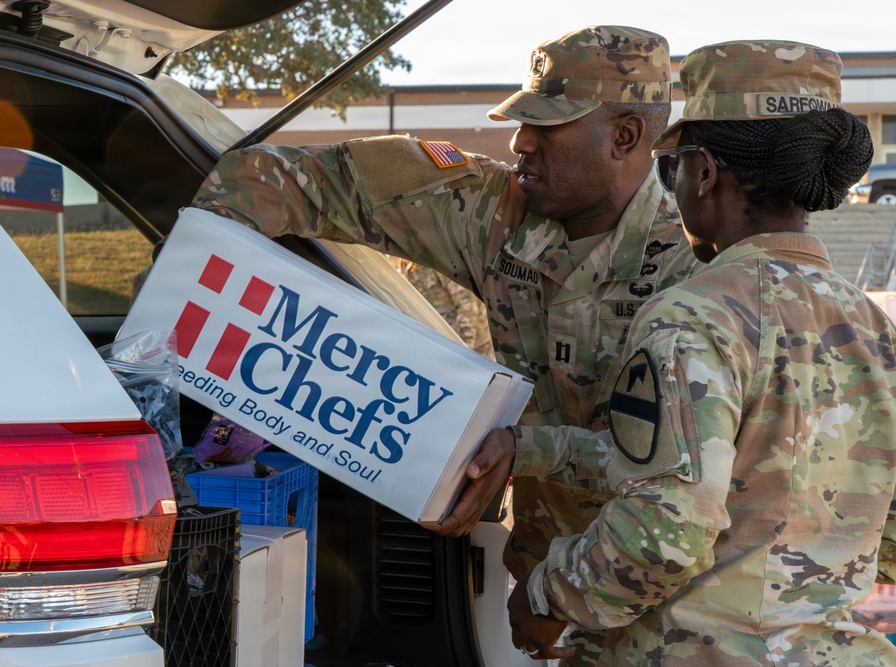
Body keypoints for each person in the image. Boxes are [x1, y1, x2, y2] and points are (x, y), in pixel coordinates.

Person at [190, 25, 700, 664]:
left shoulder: (699, 264)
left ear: (624, 136)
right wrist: (203, 318)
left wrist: (519, 455)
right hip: (547, 602)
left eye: (548, 128)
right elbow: (271, 179)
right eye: (523, 121)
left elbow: (690, 473)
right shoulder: (496, 210)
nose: (521, 143)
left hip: (679, 613)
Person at [487, 40, 896, 664]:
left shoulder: (691, 318)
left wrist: (546, 596)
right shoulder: (881, 335)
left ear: (704, 172)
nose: (669, 186)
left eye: (670, 166)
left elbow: (662, 533)